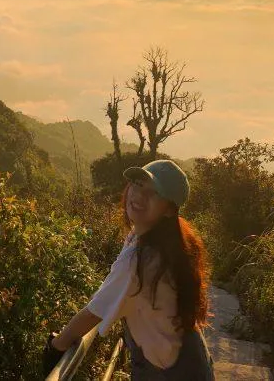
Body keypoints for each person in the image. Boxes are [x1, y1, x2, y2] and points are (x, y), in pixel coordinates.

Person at [42, 159, 215, 380]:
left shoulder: (141, 260)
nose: (139, 196)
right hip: (188, 359)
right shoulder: (160, 240)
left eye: (153, 193)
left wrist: (56, 346)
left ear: (170, 210)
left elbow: (93, 312)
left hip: (171, 373)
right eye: (137, 185)